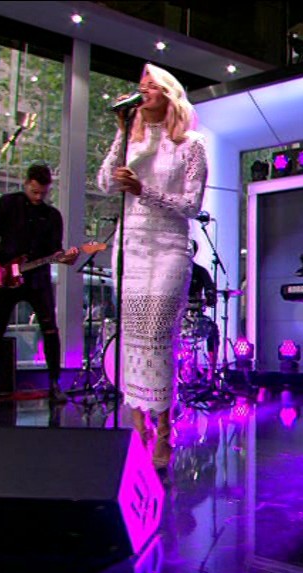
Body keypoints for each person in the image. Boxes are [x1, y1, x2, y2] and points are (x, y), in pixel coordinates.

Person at [97, 62, 207, 470]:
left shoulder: (191, 144)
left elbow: (192, 205)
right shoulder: (131, 137)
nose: (142, 92)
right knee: (132, 337)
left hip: (169, 246)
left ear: (168, 94)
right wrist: (121, 133)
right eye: (139, 86)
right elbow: (105, 183)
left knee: (158, 333)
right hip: (131, 246)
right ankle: (137, 426)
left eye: (150, 86)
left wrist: (144, 190)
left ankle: (163, 427)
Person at [0, 163, 78, 404]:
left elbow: (55, 250)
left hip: (37, 278)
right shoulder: (8, 204)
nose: (38, 197)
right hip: (6, 275)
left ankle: (54, 383)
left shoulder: (52, 216)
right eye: (34, 191)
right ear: (26, 184)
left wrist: (64, 258)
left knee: (50, 329)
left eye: (42, 193)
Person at [186, 240, 218, 371]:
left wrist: (210, 297)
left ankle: (212, 369)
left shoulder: (200, 271)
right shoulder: (172, 272)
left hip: (196, 317)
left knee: (212, 329)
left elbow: (211, 293)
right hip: (175, 318)